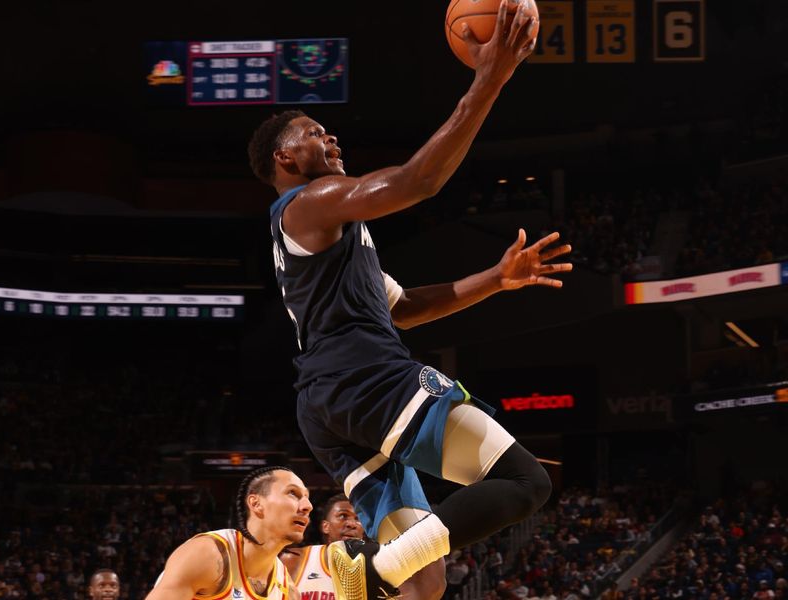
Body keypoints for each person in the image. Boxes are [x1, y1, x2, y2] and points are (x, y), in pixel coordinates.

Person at [249, 2, 569, 599]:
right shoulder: (310, 201)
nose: (330, 135)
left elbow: (404, 307)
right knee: (525, 482)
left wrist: (495, 280)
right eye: (314, 133)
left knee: (424, 583)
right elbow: (418, 180)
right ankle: (364, 574)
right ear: (284, 159)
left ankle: (359, 578)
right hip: (365, 378)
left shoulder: (330, 236)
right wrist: (489, 77)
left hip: (329, 402)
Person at [145, 466, 310, 600]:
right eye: (292, 493)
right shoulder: (208, 555)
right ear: (256, 503)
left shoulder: (287, 591)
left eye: (307, 497)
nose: (307, 506)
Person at [281, 493, 366, 600]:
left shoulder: (375, 567)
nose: (352, 524)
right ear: (325, 526)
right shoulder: (294, 559)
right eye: (343, 516)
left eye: (358, 518)